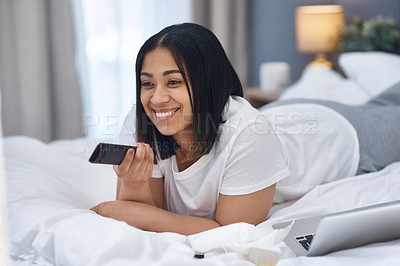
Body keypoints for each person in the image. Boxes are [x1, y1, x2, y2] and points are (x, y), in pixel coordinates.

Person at [91, 23, 400, 235]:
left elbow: (234, 230)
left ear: (207, 83)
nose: (157, 98)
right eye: (147, 83)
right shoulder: (142, 120)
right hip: (287, 115)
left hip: (342, 136)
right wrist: (132, 184)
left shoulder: (248, 132)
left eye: (173, 82)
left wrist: (122, 209)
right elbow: (146, 212)